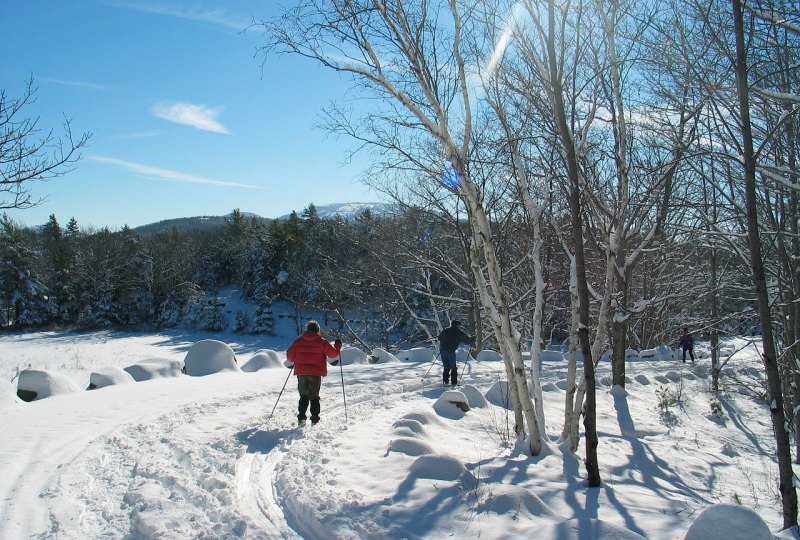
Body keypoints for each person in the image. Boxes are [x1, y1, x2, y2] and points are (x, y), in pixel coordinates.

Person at [286, 320, 342, 426]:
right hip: (315, 374)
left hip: (301, 373)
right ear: (317, 330)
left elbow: (290, 357)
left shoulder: (298, 342)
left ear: (307, 329)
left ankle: (301, 418)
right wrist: (338, 346)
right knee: (314, 397)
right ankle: (314, 420)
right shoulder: (322, 342)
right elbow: (333, 354)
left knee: (303, 396)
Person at [437, 320, 473, 387]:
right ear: (457, 325)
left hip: (442, 350)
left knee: (446, 366)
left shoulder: (446, 330)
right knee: (453, 367)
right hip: (450, 351)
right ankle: (454, 383)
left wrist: (445, 341)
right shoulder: (459, 332)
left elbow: (439, 338)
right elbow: (467, 341)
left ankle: (445, 381)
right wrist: (472, 339)